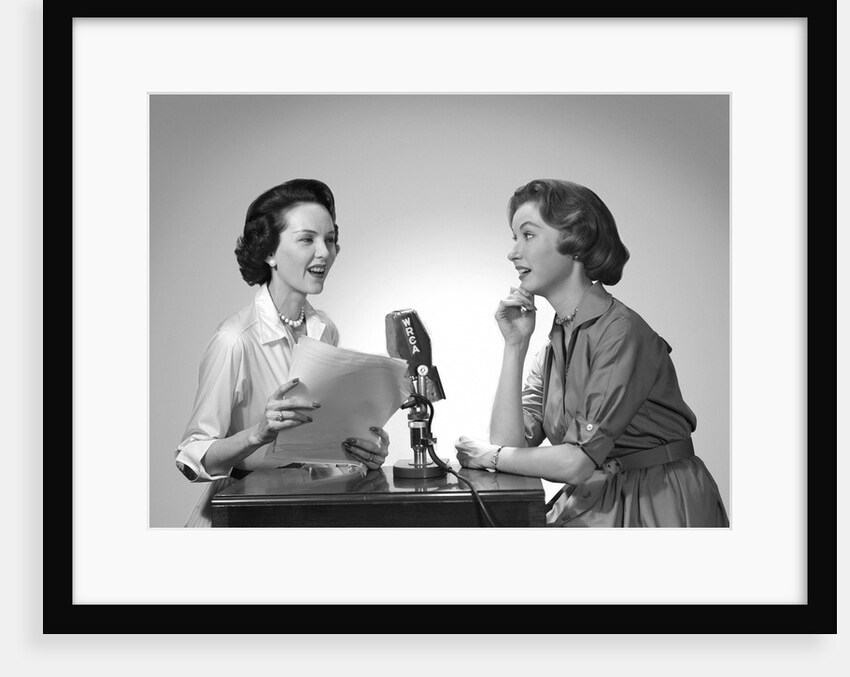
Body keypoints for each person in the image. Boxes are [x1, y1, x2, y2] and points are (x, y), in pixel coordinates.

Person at [454, 179, 729, 527]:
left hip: (657, 503)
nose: (512, 252)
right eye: (514, 238)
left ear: (576, 242)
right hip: (601, 496)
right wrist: (515, 346)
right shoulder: (555, 343)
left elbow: (575, 462)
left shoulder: (621, 333)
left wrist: (491, 457)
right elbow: (509, 444)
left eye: (528, 235)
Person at [175, 178, 390, 527]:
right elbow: (191, 456)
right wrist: (258, 433)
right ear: (270, 251)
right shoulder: (235, 340)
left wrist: (360, 450)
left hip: (307, 507)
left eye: (330, 240)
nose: (325, 252)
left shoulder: (324, 328)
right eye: (307, 239)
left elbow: (315, 437)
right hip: (243, 514)